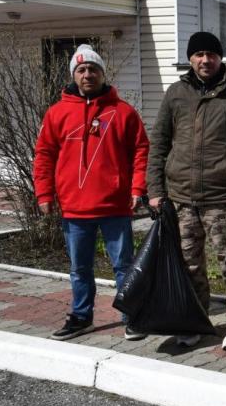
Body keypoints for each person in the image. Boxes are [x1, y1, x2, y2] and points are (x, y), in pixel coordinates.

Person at [147, 32, 226, 348]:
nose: (205, 60)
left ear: (220, 58)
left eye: (211, 54)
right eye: (198, 54)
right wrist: (155, 189)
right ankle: (195, 321)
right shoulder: (176, 93)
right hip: (182, 198)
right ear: (190, 58)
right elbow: (158, 143)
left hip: (224, 198)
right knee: (189, 265)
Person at [34, 44, 149, 342]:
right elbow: (44, 155)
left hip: (115, 206)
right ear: (74, 74)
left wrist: (138, 187)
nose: (88, 75)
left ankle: (131, 315)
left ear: (102, 74)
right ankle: (81, 316)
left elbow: (140, 151)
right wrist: (44, 194)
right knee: (79, 268)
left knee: (124, 266)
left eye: (93, 69)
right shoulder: (57, 113)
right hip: (74, 208)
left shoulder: (123, 112)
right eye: (81, 70)